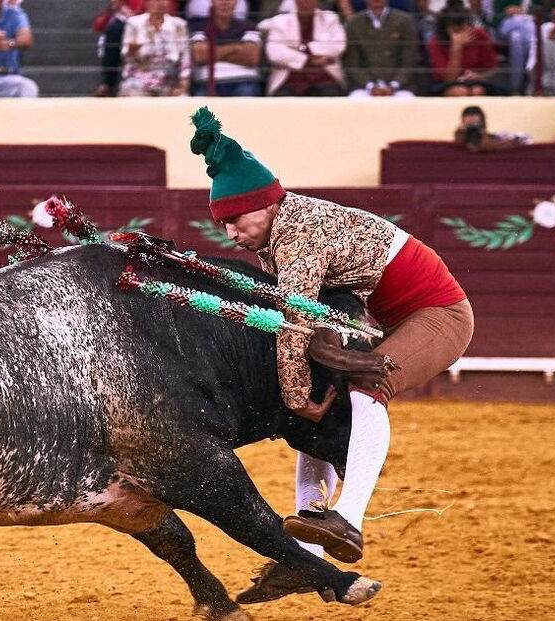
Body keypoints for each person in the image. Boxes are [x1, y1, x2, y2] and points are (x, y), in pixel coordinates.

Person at [185, 107, 473, 603]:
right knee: (327, 392)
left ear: (265, 204)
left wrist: (295, 398)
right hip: (388, 316)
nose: (229, 232)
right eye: (223, 223)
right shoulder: (279, 231)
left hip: (438, 314)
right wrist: (306, 394)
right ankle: (307, 555)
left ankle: (350, 520)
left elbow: (296, 323)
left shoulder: (299, 233)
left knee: (368, 386)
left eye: (235, 219)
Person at [259, 0, 346, 96]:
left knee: (330, 96)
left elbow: (338, 45)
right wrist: (308, 60)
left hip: (324, 77)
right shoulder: (280, 21)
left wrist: (300, 49)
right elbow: (274, 53)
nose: (306, 2)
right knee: (283, 99)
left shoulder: (331, 19)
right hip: (289, 78)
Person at [343, 0, 420, 97]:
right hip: (365, 87)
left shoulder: (405, 21)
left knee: (406, 99)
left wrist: (394, 85)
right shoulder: (353, 23)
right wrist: (370, 86)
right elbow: (352, 62)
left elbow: (409, 59)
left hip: (400, 87)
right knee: (356, 99)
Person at [189, 0, 262, 96]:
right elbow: (200, 56)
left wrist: (212, 51)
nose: (225, 2)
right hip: (207, 84)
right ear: (212, 2)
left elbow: (251, 57)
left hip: (244, 82)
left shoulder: (249, 26)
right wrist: (236, 49)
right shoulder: (199, 27)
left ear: (236, 2)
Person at [427, 0, 500, 95]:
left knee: (477, 90)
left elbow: (492, 69)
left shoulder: (480, 35)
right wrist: (456, 48)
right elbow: (448, 79)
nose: (461, 34)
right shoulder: (435, 42)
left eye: (464, 29)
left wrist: (479, 76)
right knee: (460, 91)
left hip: (478, 82)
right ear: (445, 30)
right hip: (447, 84)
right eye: (456, 31)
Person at [118, 0, 190, 96]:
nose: (162, 3)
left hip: (169, 81)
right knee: (133, 96)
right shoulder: (134, 24)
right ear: (147, 3)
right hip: (139, 81)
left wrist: (183, 85)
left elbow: (185, 59)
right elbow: (126, 56)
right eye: (157, 0)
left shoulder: (179, 25)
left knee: (182, 98)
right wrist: (133, 51)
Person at [454, 105, 532, 151]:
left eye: (474, 116)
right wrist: (459, 133)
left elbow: (526, 138)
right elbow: (459, 148)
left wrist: (482, 134)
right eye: (468, 116)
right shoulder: (461, 135)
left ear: (483, 122)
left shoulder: (496, 137)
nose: (471, 119)